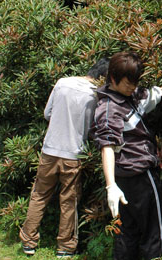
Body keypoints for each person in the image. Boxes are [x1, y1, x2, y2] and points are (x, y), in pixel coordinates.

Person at [90, 51, 162, 260]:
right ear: (113, 78)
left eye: (135, 82)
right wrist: (110, 185)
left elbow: (159, 94)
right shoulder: (109, 109)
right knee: (155, 232)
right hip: (138, 175)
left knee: (127, 232)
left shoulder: (130, 97)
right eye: (128, 83)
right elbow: (107, 147)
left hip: (126, 177)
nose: (133, 87)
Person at [19, 57, 109, 259]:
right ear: (103, 78)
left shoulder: (62, 83)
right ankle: (65, 247)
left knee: (39, 195)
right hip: (74, 155)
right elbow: (94, 128)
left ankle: (28, 242)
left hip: (50, 150)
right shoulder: (95, 94)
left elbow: (47, 113)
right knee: (69, 201)